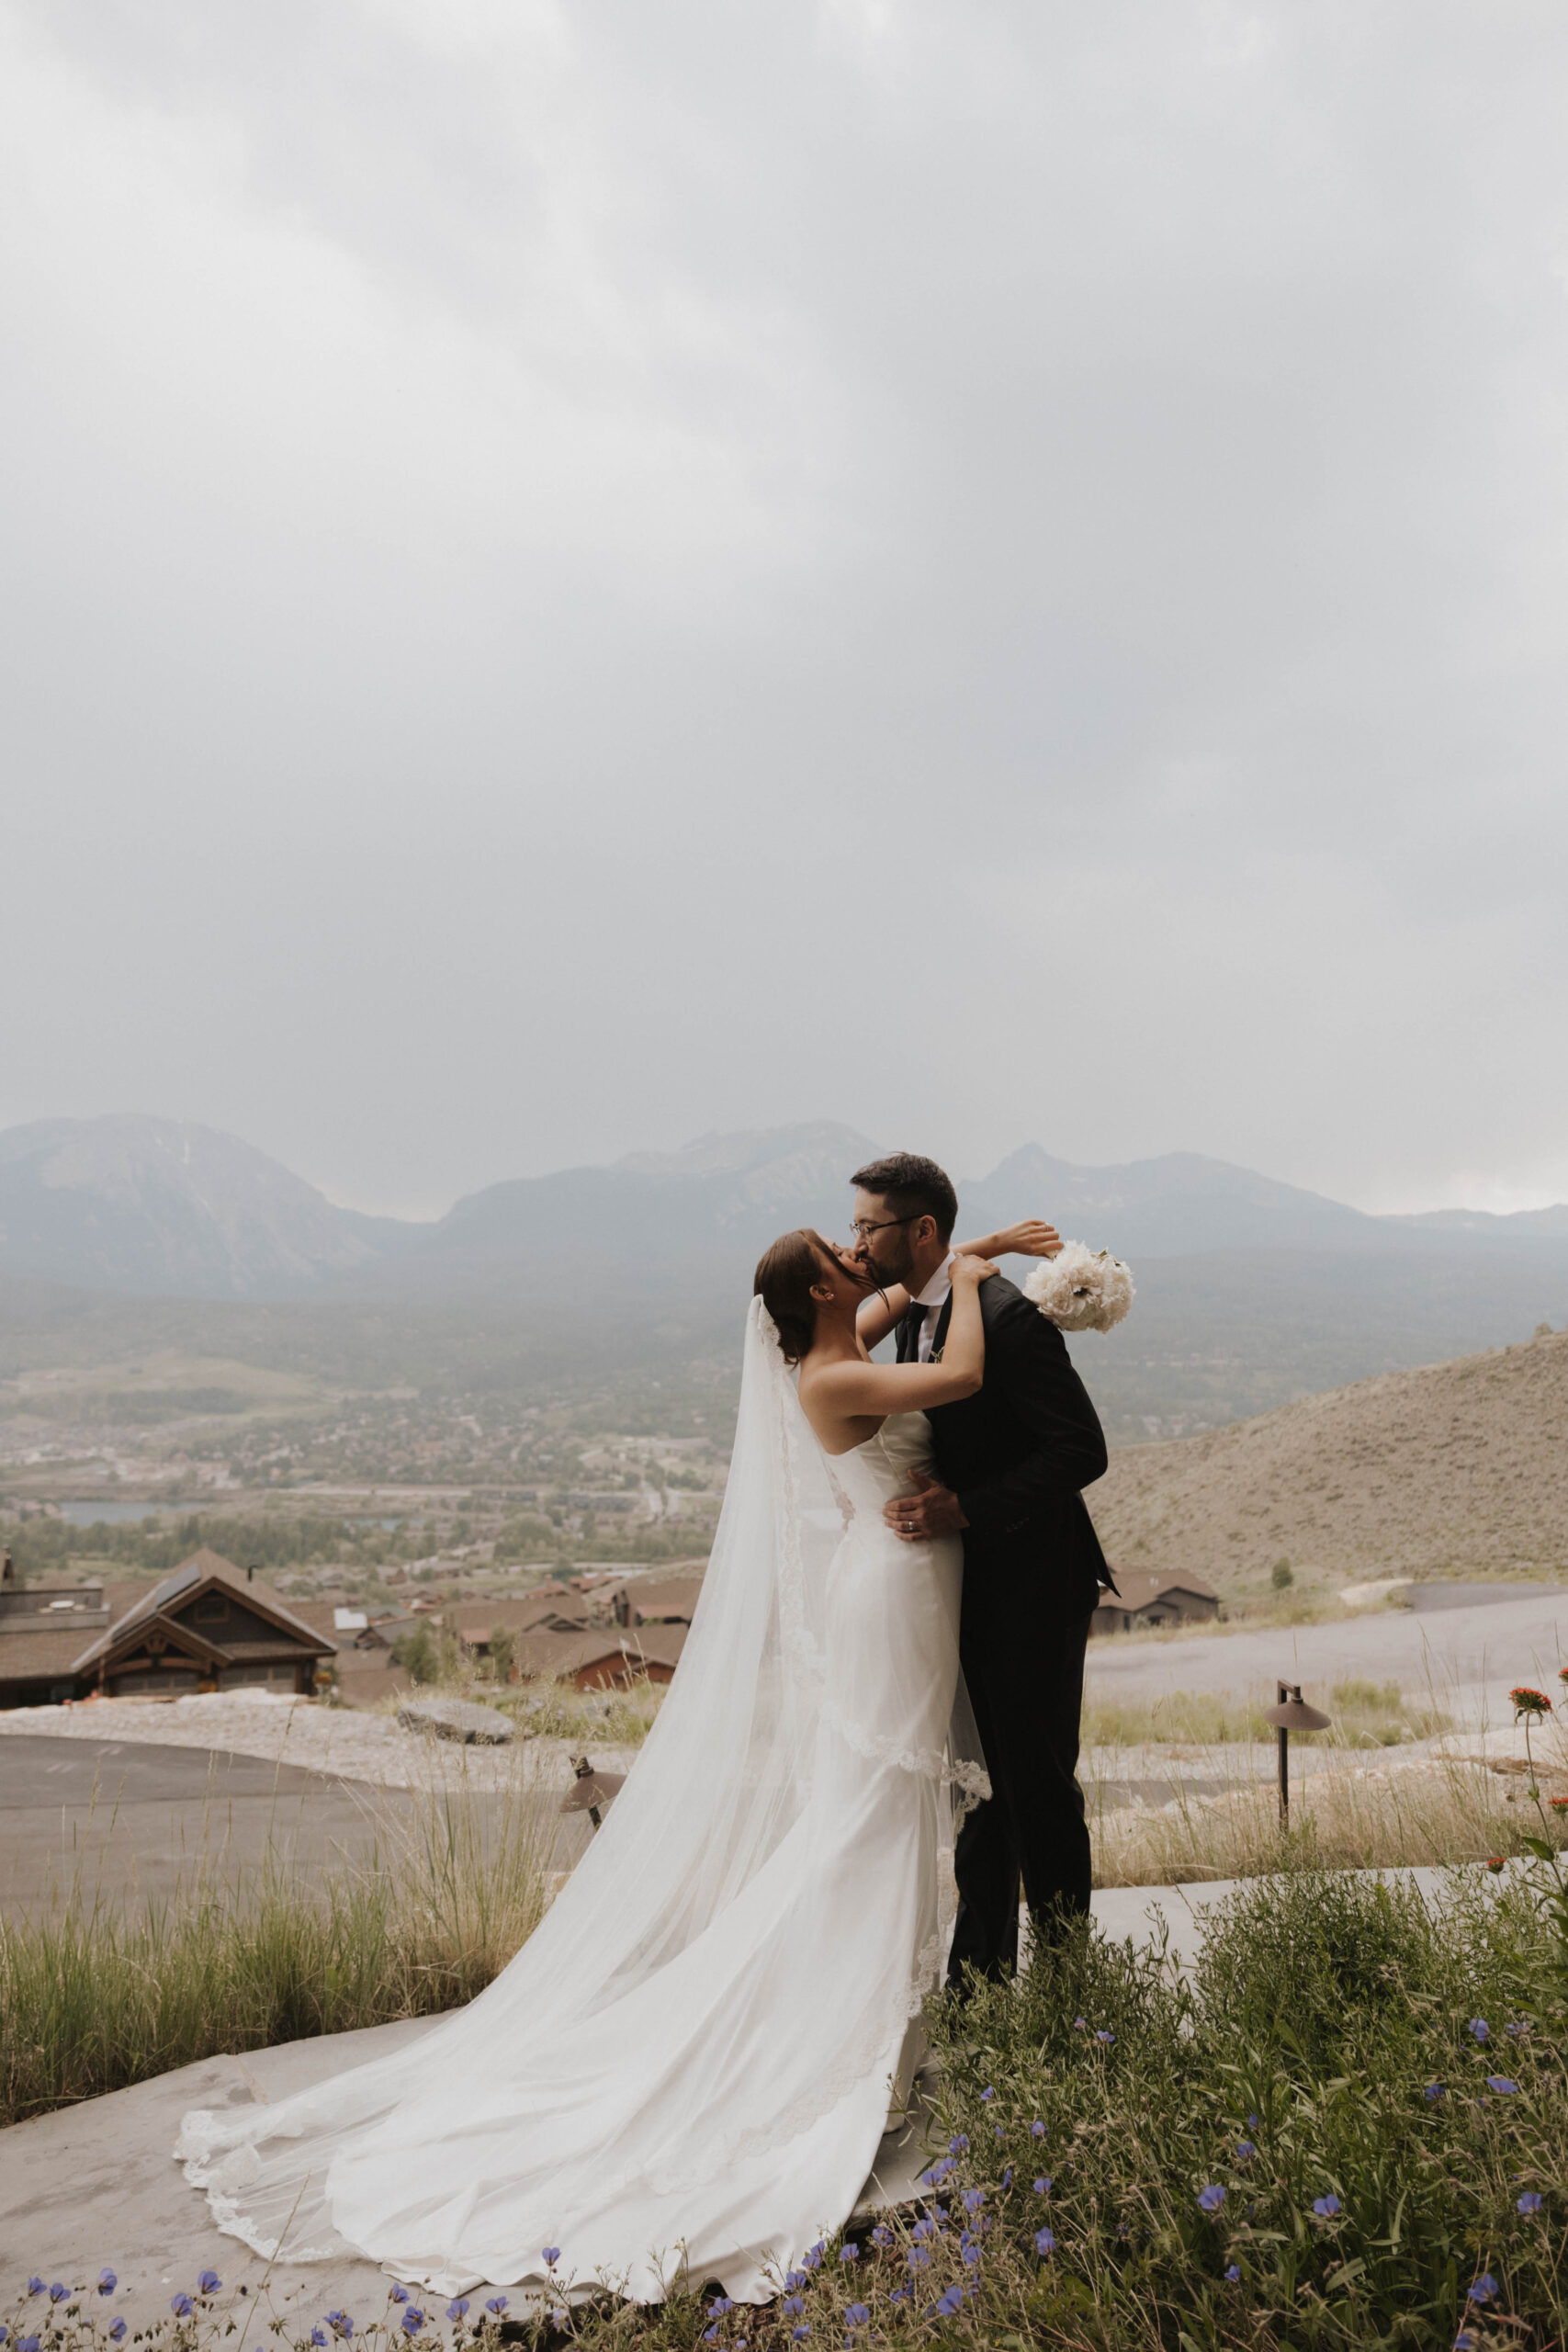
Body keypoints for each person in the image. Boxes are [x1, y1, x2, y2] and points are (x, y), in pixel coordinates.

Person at [174, 1217, 1057, 2307]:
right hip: (894, 1592)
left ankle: (887, 2016)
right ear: (820, 1290)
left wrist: (989, 1237)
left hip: (904, 1579)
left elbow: (885, 1308)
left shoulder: (835, 1345)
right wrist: (971, 1272)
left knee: (886, 1801)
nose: (860, 1262)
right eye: (843, 1257)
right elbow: (961, 1368)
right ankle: (846, 2028)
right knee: (876, 1806)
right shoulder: (832, 1380)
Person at [848, 1150, 1112, 1981]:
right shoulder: (923, 1312)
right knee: (980, 1789)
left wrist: (962, 1505)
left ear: (920, 1231)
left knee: (1035, 1785)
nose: (855, 1243)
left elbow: (1080, 1449)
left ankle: (1068, 1985)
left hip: (1033, 1583)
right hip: (965, 1586)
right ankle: (979, 1976)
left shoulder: (1003, 1319)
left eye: (868, 1227)